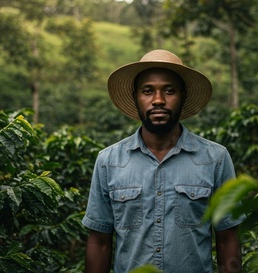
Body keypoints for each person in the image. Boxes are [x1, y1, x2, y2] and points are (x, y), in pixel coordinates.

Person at [82, 49, 244, 273]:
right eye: (147, 91)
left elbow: (227, 238)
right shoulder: (108, 162)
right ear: (135, 96)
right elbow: (99, 241)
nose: (158, 100)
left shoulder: (215, 159)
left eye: (169, 90)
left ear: (183, 96)